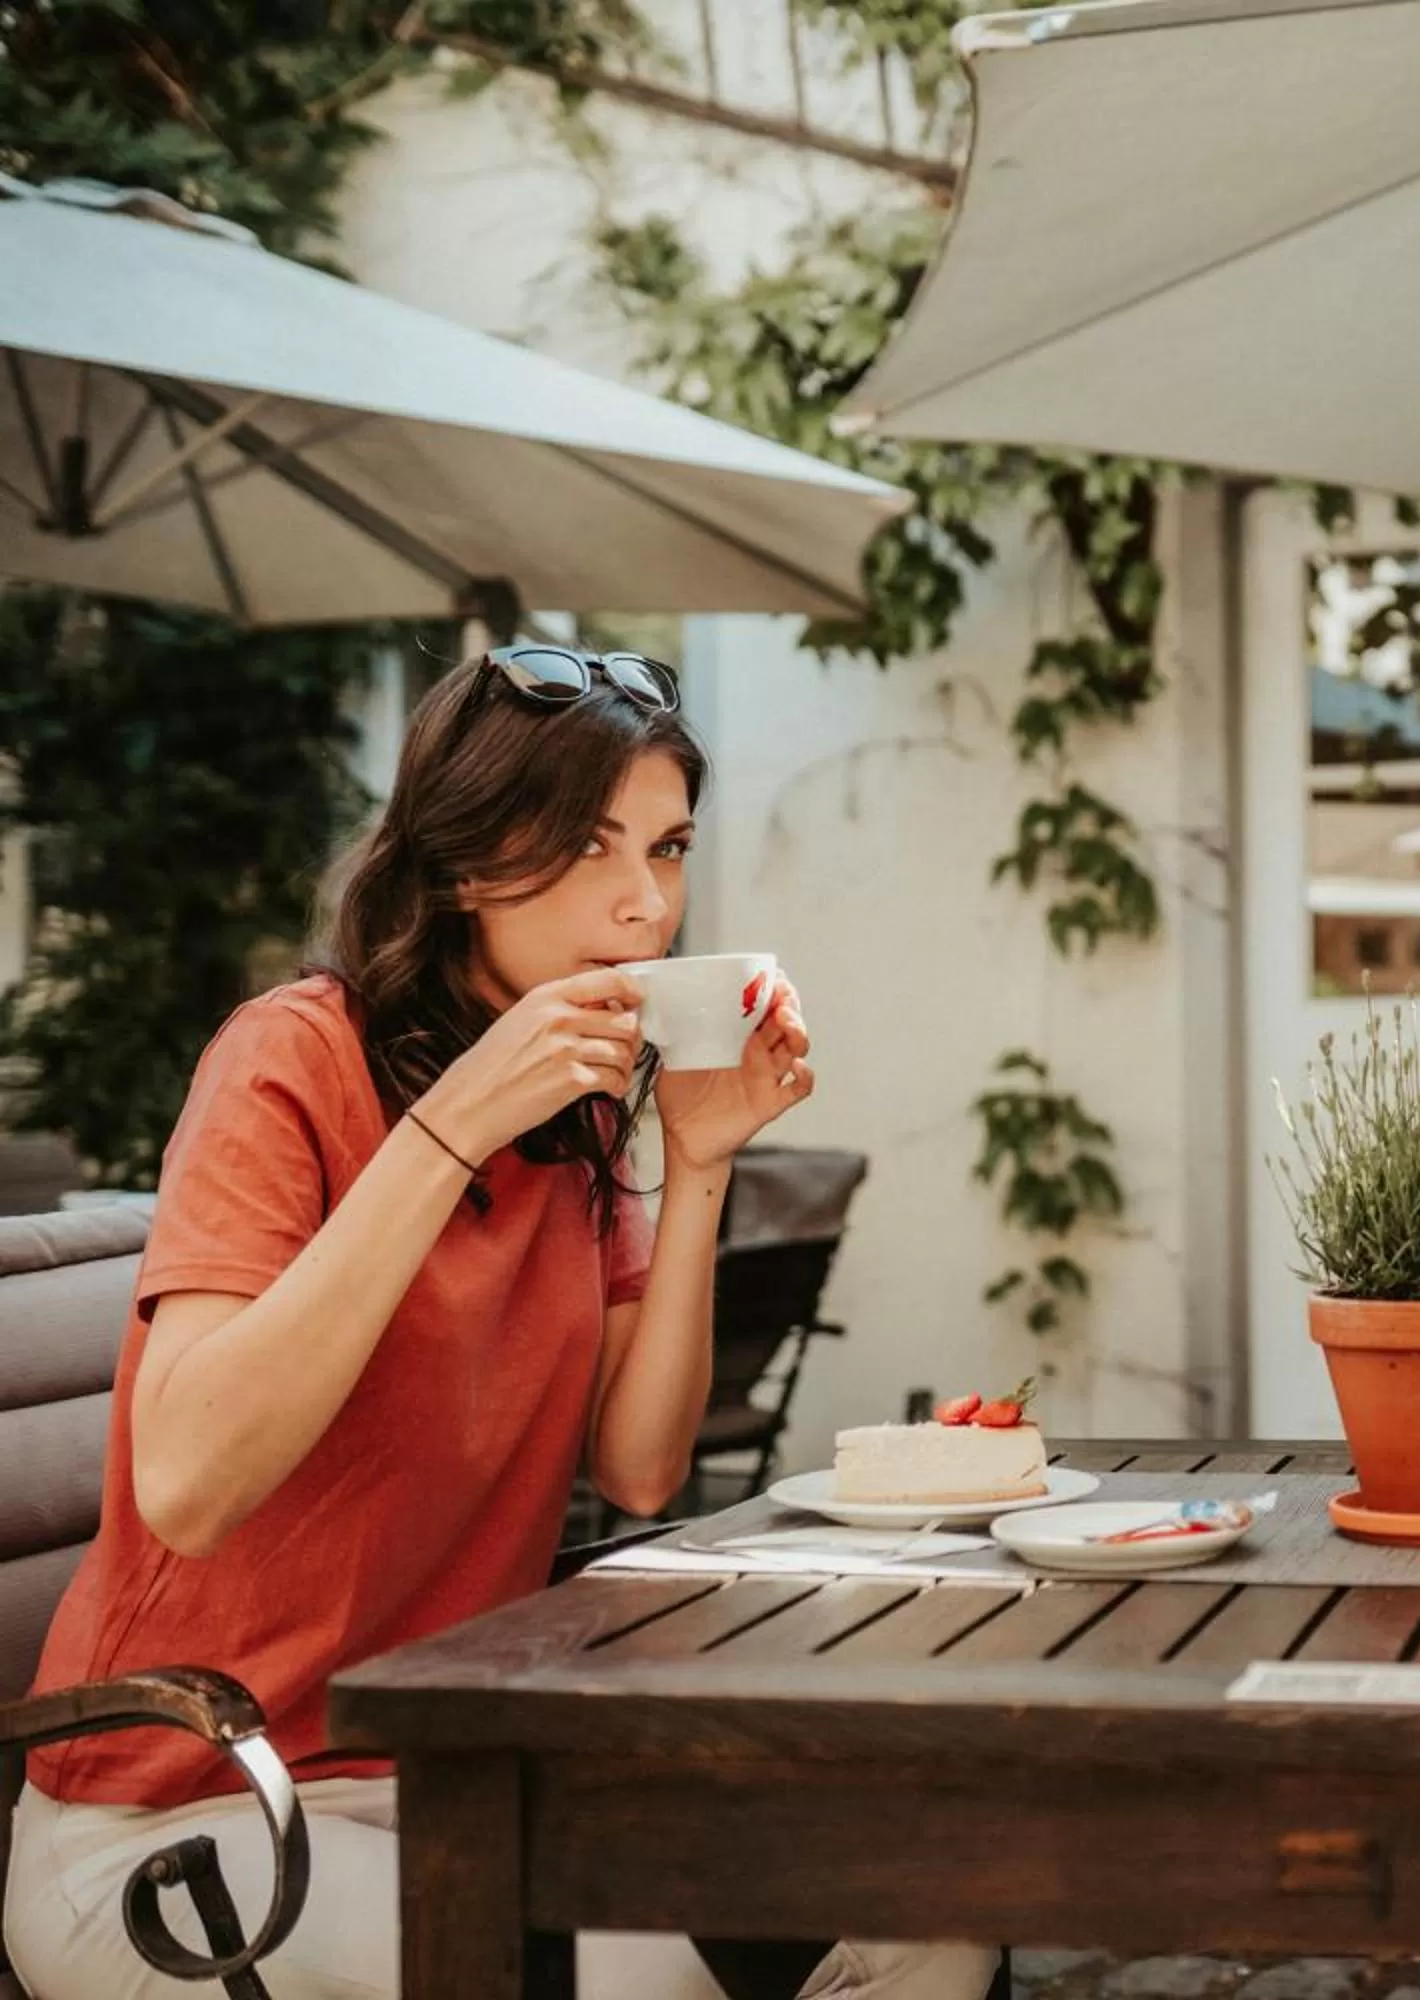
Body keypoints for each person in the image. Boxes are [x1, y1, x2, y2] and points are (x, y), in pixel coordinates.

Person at [3, 646, 1000, 2000]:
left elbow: (640, 1468)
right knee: (651, 1990)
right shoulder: (290, 1057)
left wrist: (697, 1159)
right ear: (467, 865)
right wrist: (455, 1118)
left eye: (666, 847)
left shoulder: (579, 1112)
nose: (645, 904)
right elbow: (185, 1480)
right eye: (591, 847)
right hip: (182, 1823)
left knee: (932, 1914)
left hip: (449, 1774)